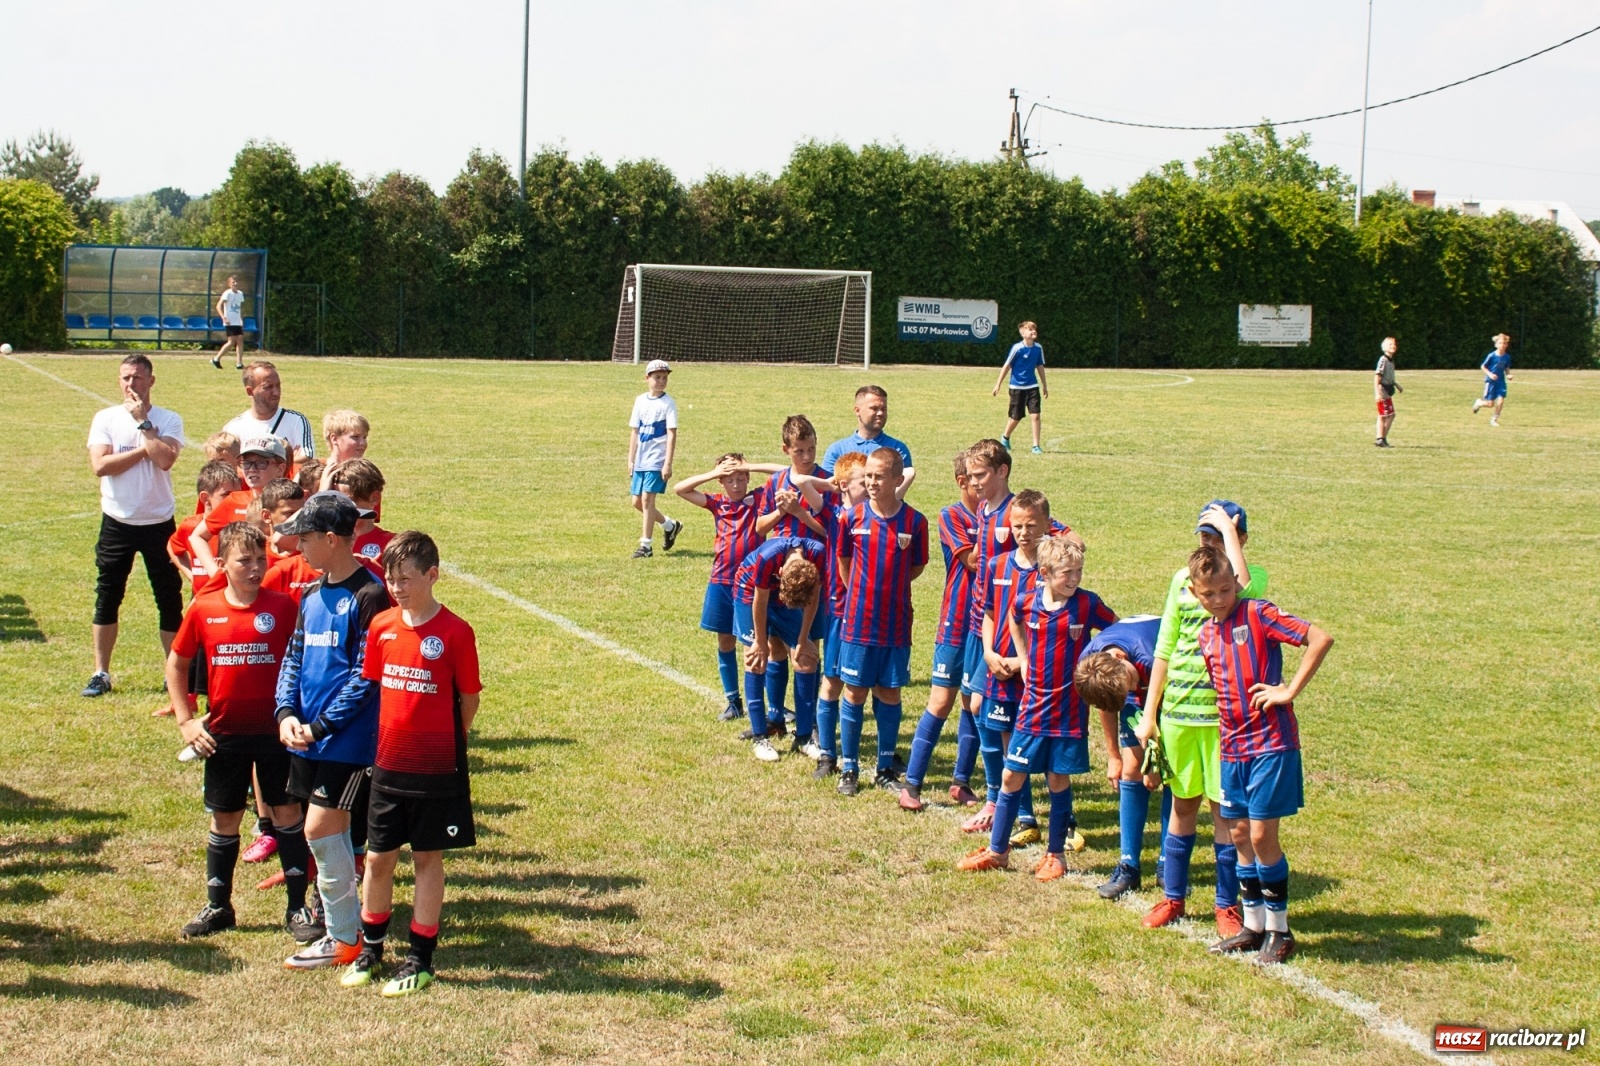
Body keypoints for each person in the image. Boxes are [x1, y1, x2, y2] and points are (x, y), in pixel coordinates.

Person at [343, 531, 482, 996]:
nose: (396, 587)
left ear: (432, 575)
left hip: (434, 768)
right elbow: (376, 688)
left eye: (405, 578)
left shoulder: (456, 632)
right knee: (378, 858)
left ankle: (420, 959)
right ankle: (370, 950)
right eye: (391, 578)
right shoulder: (382, 626)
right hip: (387, 766)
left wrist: (448, 741)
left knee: (426, 858)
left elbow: (468, 698)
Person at [164, 522, 316, 941]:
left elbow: (304, 663)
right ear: (222, 564)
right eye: (244, 560)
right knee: (225, 817)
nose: (255, 568)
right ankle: (219, 906)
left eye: (260, 560)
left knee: (287, 814)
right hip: (224, 734)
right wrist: (186, 721)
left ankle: (298, 908)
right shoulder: (204, 608)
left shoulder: (283, 607)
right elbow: (177, 663)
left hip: (276, 733)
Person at [1186, 545, 1333, 963]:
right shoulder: (1205, 635)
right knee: (1237, 834)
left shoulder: (1258, 614)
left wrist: (1288, 690)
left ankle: (1280, 930)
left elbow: (1319, 638)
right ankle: (1252, 926)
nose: (1219, 599)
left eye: (1225, 589)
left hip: (1270, 744)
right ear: (1195, 593)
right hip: (1232, 748)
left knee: (1261, 835)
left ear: (1235, 582)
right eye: (1208, 593)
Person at [273, 492, 390, 971]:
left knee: (319, 827)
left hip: (348, 740)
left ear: (330, 539)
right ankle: (348, 928)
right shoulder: (310, 594)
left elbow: (366, 674)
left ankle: (343, 936)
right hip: (308, 737)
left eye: (303, 537)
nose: (297, 545)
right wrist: (285, 712)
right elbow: (294, 656)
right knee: (328, 830)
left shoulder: (370, 594)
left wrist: (321, 725)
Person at [1134, 501, 1260, 939]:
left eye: (1218, 537)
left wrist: (1229, 531)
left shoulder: (1242, 583)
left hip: (1223, 722)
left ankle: (1226, 905)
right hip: (1179, 717)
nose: (1209, 544)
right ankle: (1173, 897)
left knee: (1224, 813)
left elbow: (1243, 584)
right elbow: (1165, 648)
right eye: (1205, 536)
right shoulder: (1181, 582)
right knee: (1182, 806)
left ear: (1239, 541)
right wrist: (1150, 715)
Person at [960, 536, 1115, 877]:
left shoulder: (1087, 604)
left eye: (1078, 571)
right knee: (1010, 774)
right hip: (1032, 707)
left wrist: (1095, 664)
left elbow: (1115, 630)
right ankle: (998, 851)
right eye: (1067, 572)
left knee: (1057, 779)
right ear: (1044, 573)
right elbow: (1013, 617)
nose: (1074, 578)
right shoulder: (1027, 602)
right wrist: (1024, 658)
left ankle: (1056, 855)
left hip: (1068, 710)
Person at [83, 355, 186, 699]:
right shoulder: (106, 418)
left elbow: (166, 459)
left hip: (159, 521)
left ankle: (173, 673)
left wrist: (144, 424)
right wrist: (146, 449)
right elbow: (101, 465)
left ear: (151, 381)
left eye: (138, 378)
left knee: (168, 598)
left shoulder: (169, 418)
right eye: (126, 378)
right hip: (118, 521)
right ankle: (100, 672)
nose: (132, 384)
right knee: (107, 595)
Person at [835, 447, 928, 796]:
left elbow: (916, 567)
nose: (872, 482)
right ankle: (849, 767)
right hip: (859, 622)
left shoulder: (915, 522)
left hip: (896, 623)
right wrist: (861, 593)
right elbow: (844, 562)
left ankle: (885, 766)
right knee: (855, 691)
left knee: (889, 691)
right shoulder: (851, 518)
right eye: (868, 476)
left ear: (897, 479)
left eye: (878, 476)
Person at [967, 490, 1052, 841]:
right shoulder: (997, 565)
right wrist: (988, 651)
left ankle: (1063, 817)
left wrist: (1025, 661)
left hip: (1034, 670)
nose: (1023, 533)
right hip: (1000, 664)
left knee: (1038, 743)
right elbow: (990, 613)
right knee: (1005, 739)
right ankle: (1019, 812)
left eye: (1031, 525)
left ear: (1047, 524)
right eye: (1017, 526)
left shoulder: (1053, 570)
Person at [899, 451, 980, 812]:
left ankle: (961, 782)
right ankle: (912, 784)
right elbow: (972, 561)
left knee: (974, 702)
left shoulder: (1005, 514)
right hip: (956, 620)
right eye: (975, 478)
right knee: (941, 701)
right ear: (962, 481)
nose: (982, 485)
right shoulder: (952, 516)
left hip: (986, 626)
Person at [1073, 615, 1163, 898]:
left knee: (1171, 775)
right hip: (1134, 676)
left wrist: (1156, 761)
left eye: (1131, 684)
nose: (1132, 689)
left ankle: (1169, 863)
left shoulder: (1149, 659)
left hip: (1166, 685)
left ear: (1121, 658)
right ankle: (1128, 866)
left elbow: (1165, 708)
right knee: (1131, 770)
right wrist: (1114, 755)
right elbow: (1108, 703)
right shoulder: (1092, 665)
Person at [673, 454, 766, 721]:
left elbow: (787, 473)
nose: (736, 485)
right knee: (725, 641)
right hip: (722, 581)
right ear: (721, 483)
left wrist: (750, 465)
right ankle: (733, 701)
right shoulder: (718, 503)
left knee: (755, 644)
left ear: (748, 478)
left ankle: (767, 704)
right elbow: (680, 489)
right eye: (729, 480)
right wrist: (714, 473)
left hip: (751, 584)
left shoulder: (759, 499)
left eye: (740, 478)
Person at [733, 536, 825, 762]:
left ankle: (804, 737)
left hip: (786, 595)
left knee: (805, 660)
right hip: (751, 591)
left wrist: (803, 638)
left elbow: (813, 598)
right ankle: (760, 737)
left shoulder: (818, 555)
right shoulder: (768, 557)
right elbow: (760, 600)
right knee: (756, 659)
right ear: (781, 571)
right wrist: (759, 641)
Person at [811, 451, 870, 779]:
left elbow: (907, 474)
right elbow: (801, 481)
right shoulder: (834, 512)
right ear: (845, 484)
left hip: (867, 612)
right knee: (832, 681)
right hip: (838, 608)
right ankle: (827, 753)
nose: (871, 484)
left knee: (864, 685)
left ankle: (862, 755)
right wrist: (832, 484)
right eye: (865, 480)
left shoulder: (877, 513)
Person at [190, 437, 288, 577]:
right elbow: (197, 536)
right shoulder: (234, 500)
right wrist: (217, 574)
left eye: (261, 463)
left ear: (280, 468)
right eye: (246, 463)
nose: (252, 469)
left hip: (283, 582)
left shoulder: (294, 501)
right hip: (245, 585)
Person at [627, 359, 682, 558]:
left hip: (656, 460)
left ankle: (646, 546)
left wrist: (667, 463)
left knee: (647, 499)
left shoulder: (668, 403)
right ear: (647, 378)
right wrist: (630, 459)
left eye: (664, 377)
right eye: (657, 377)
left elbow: (671, 434)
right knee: (637, 502)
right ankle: (669, 525)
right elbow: (635, 431)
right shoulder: (640, 401)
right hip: (641, 459)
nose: (661, 381)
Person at [820, 386, 915, 494]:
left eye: (883, 409)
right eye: (874, 408)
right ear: (857, 410)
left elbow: (897, 493)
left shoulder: (897, 449)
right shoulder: (837, 450)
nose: (880, 413)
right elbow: (827, 489)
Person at [224, 362, 316, 464]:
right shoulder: (233, 428)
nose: (276, 392)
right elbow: (228, 466)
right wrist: (287, 460)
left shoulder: (296, 421)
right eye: (268, 387)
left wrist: (248, 463)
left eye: (278, 386)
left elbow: (307, 459)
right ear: (250, 391)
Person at [328, 459, 392, 578]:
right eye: (335, 500)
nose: (341, 508)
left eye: (348, 501)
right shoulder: (325, 540)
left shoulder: (391, 545)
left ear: (374, 498)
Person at [992, 321, 1048, 454]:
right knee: (1015, 417)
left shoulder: (1038, 348)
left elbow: (1040, 366)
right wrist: (998, 384)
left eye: (1034, 329)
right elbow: (1007, 366)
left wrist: (1044, 385)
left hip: (1032, 386)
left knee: (1035, 415)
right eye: (1030, 329)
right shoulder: (1017, 348)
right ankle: (1005, 437)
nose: (1033, 331)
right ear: (1023, 333)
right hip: (1017, 387)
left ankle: (1036, 445)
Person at [1472, 332, 1513, 426]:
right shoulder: (1492, 356)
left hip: (1501, 382)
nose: (1502, 345)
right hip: (1491, 382)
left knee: (1501, 401)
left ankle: (1494, 420)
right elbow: (1483, 366)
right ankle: (1479, 403)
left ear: (1507, 345)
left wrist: (1508, 375)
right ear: (1496, 344)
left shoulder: (1507, 357)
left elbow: (1506, 368)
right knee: (1490, 404)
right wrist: (1490, 374)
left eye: (1504, 343)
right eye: (1500, 343)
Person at [211, 275, 248, 371]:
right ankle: (216, 359)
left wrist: (241, 319)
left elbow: (239, 308)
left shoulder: (240, 294)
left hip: (237, 321)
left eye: (236, 282)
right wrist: (224, 317)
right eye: (233, 282)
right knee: (231, 342)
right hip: (229, 321)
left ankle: (239, 363)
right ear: (229, 284)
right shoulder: (227, 293)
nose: (235, 283)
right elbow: (218, 306)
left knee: (240, 340)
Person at [1374, 337, 1400, 448]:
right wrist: (1377, 392)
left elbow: (1389, 376)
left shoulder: (1391, 361)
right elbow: (1377, 376)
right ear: (1384, 347)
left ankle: (1382, 438)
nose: (1393, 346)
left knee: (1389, 415)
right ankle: (1380, 439)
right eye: (1390, 344)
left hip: (1388, 391)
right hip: (1382, 391)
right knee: (1384, 415)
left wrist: (1396, 385)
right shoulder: (1383, 360)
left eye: (1394, 344)